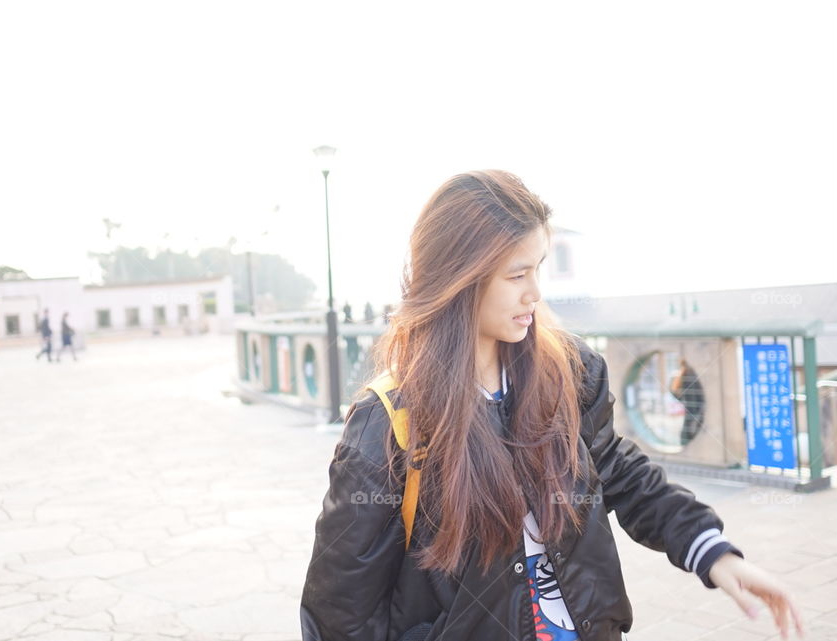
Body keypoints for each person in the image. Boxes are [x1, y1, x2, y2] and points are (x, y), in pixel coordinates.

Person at [300, 170, 803, 641]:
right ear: (460, 278)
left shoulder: (568, 369)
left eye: (538, 268)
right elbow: (342, 608)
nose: (536, 293)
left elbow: (615, 470)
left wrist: (711, 552)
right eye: (517, 275)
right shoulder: (388, 422)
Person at [670, 359, 705, 445]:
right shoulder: (687, 375)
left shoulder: (686, 375)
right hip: (695, 411)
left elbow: (676, 394)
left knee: (687, 434)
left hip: (693, 411)